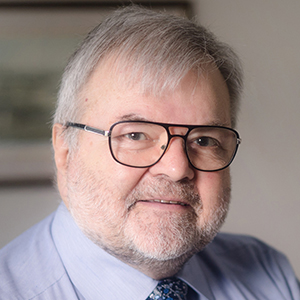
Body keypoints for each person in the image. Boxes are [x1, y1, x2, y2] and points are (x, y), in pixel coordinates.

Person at [0, 5, 299, 300]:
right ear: (65, 149)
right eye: (135, 134)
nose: (176, 168)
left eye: (204, 140)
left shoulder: (269, 275)